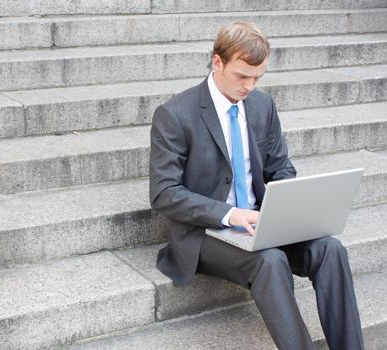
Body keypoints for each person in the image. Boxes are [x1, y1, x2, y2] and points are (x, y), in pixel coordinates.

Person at [149, 21, 364, 349]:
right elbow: (164, 193)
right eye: (242, 76)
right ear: (217, 62)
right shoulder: (175, 114)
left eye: (258, 77)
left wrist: (290, 204)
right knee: (270, 260)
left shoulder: (263, 106)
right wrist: (230, 214)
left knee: (330, 249)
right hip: (206, 232)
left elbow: (280, 168)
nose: (250, 86)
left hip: (262, 222)